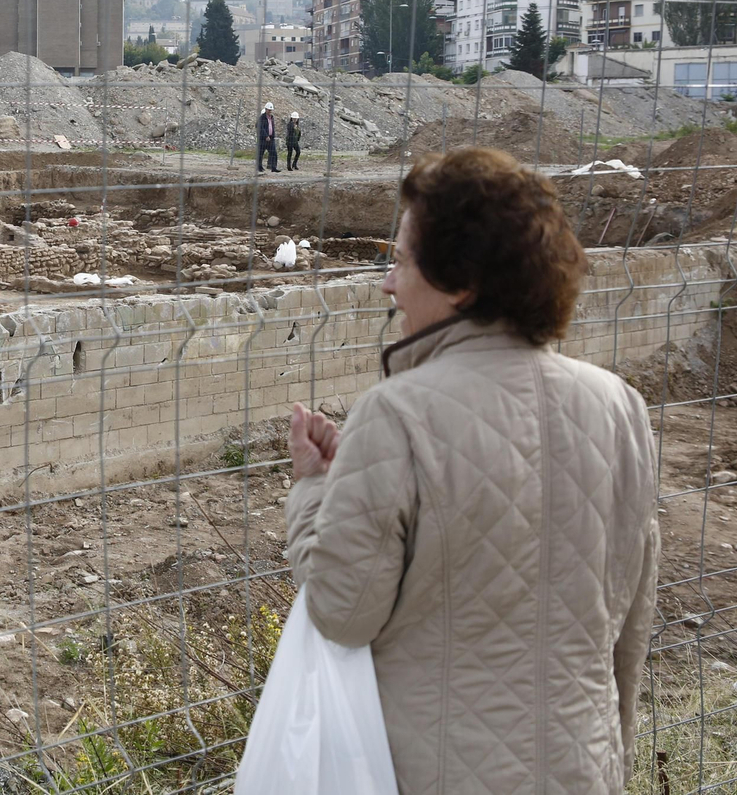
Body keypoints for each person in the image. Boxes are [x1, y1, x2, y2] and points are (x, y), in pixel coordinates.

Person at [284, 146, 658, 793]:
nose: (387, 283)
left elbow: (343, 613)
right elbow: (627, 631)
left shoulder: (395, 417)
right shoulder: (620, 408)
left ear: (460, 281)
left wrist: (314, 489)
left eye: (400, 260)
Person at [256, 101, 278, 173]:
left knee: (274, 153)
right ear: (266, 110)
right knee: (261, 153)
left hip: (271, 138)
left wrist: (273, 136)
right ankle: (259, 167)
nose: (270, 111)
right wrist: (265, 135)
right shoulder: (262, 118)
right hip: (263, 139)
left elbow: (272, 127)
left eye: (271, 110)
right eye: (269, 110)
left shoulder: (272, 117)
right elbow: (260, 127)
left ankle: (274, 167)